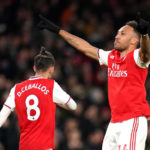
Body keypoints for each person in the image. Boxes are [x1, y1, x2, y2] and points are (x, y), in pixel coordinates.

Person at [37, 14, 150, 150]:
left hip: (133, 121)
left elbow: (146, 53)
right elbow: (85, 47)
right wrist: (58, 31)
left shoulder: (137, 57)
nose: (117, 36)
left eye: (122, 34)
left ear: (133, 41)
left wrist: (144, 35)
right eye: (117, 33)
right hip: (114, 122)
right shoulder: (112, 57)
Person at [0, 47, 77, 150]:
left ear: (34, 68)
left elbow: (2, 116)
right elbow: (73, 106)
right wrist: (57, 102)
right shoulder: (51, 86)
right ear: (51, 69)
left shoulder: (16, 88)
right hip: (45, 147)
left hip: (24, 147)